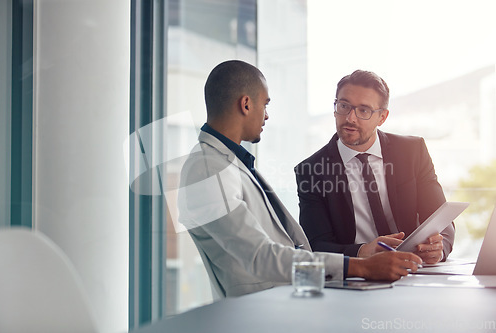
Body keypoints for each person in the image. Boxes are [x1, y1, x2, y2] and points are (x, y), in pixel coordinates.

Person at [177, 61, 421, 298]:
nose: (267, 116)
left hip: (284, 299)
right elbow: (260, 256)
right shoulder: (207, 169)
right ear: (246, 104)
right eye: (265, 104)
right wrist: (361, 266)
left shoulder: (229, 163)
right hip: (258, 312)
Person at [295, 70, 455, 265]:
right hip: (358, 275)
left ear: (382, 117)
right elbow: (317, 245)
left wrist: (440, 248)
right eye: (344, 106)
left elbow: (441, 219)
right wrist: (362, 252)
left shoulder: (412, 151)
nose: (350, 118)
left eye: (363, 110)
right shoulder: (312, 170)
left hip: (413, 269)